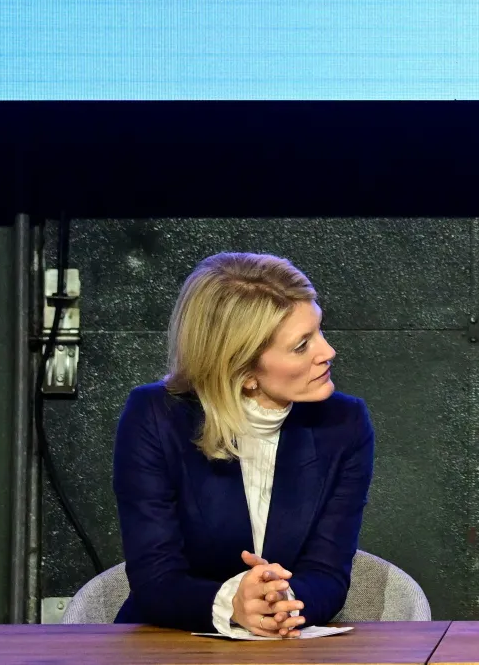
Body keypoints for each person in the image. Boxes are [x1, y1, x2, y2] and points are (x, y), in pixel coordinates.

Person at [112, 252, 374, 634]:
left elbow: (328, 573)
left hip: (284, 649)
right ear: (244, 371)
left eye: (319, 330)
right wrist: (231, 604)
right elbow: (156, 578)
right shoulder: (154, 416)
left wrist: (279, 603)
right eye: (302, 345)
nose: (328, 352)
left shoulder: (345, 424)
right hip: (169, 642)